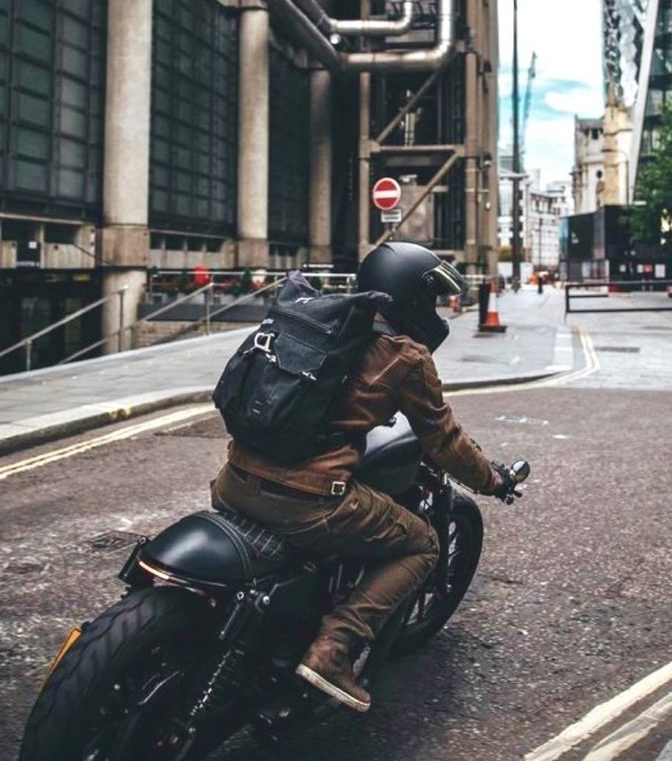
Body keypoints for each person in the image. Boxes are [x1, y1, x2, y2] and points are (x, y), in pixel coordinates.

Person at [210, 243, 510, 714]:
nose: (433, 311)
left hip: (232, 480)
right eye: (429, 299)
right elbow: (444, 441)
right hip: (307, 501)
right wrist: (492, 479)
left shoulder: (309, 320)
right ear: (411, 299)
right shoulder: (404, 355)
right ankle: (333, 650)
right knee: (423, 545)